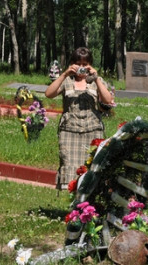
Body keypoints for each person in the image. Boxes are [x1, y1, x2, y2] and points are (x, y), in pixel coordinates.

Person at [44, 47, 114, 191]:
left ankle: (87, 207)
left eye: (85, 64)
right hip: (69, 131)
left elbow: (108, 101)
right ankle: (74, 204)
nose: (81, 68)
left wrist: (97, 79)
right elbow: (49, 94)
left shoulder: (96, 81)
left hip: (92, 131)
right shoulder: (66, 80)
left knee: (91, 167)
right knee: (69, 165)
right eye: (78, 64)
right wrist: (64, 74)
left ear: (90, 64)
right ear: (72, 64)